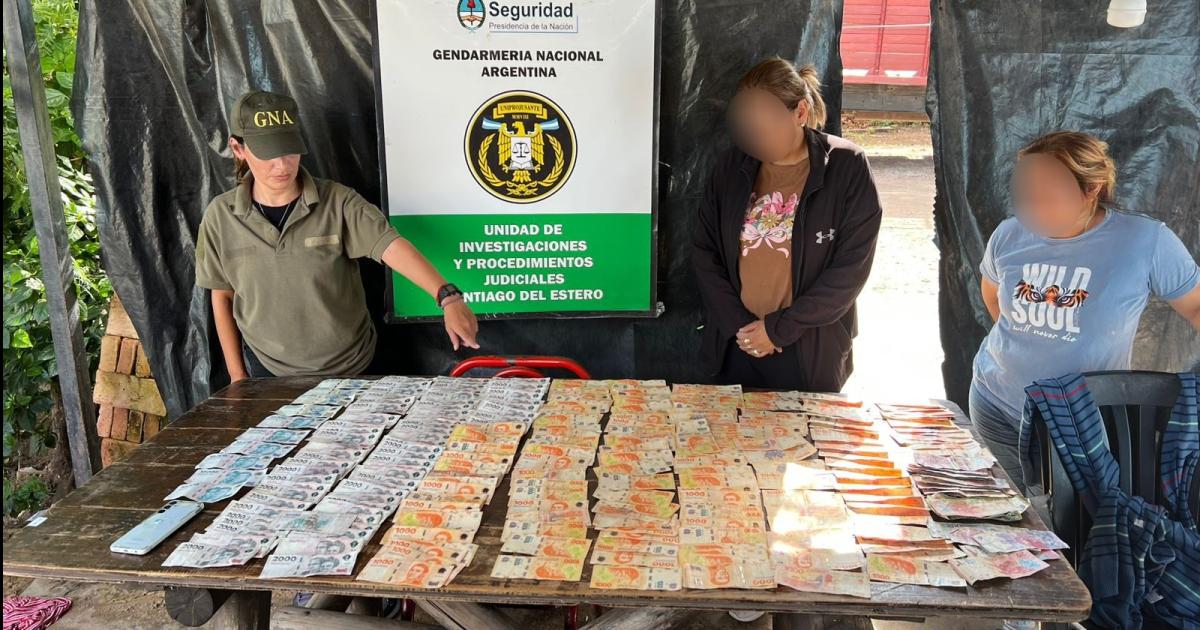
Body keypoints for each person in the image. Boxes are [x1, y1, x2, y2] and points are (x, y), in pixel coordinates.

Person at [970, 131, 1200, 491]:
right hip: (996, 403)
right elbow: (993, 295)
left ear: (1091, 189)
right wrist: (1037, 343)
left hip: (1080, 421)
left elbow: (1197, 307)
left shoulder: (1145, 240)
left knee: (1070, 520)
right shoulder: (1009, 234)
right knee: (1001, 512)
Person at [195, 90, 479, 381]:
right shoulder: (220, 216)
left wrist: (447, 296)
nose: (282, 165)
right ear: (238, 149)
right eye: (268, 153)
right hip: (269, 370)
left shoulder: (338, 202)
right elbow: (222, 294)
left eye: (289, 150)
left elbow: (390, 246)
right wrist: (238, 378)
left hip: (351, 367)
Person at [692, 58, 883, 392]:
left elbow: (851, 268)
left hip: (809, 348)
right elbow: (704, 251)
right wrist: (741, 327)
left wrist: (777, 330)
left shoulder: (846, 166)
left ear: (800, 112)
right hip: (737, 343)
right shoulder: (731, 166)